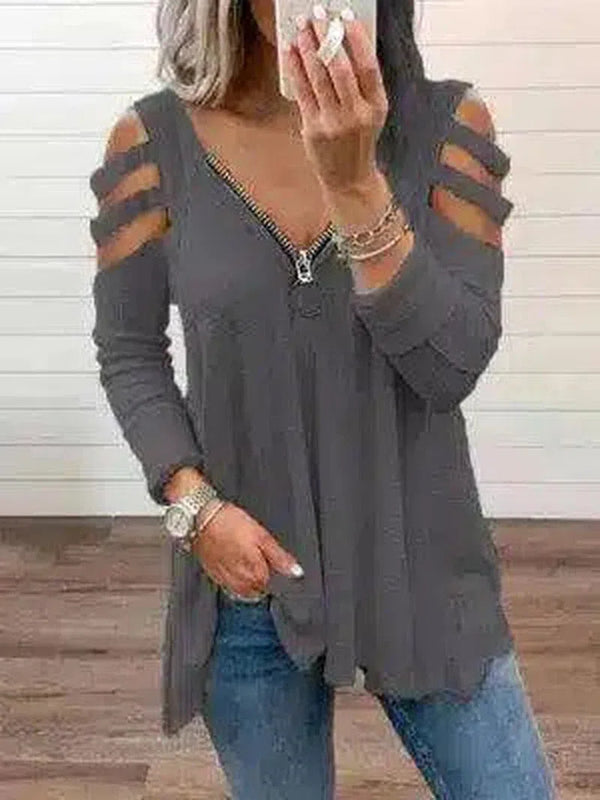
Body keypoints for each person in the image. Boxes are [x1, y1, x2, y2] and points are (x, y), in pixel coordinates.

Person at [88, 0, 558, 797]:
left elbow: (452, 366)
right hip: (251, 576)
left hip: (423, 565)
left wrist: (355, 182)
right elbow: (129, 351)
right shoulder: (151, 143)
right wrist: (194, 508)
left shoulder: (450, 128)